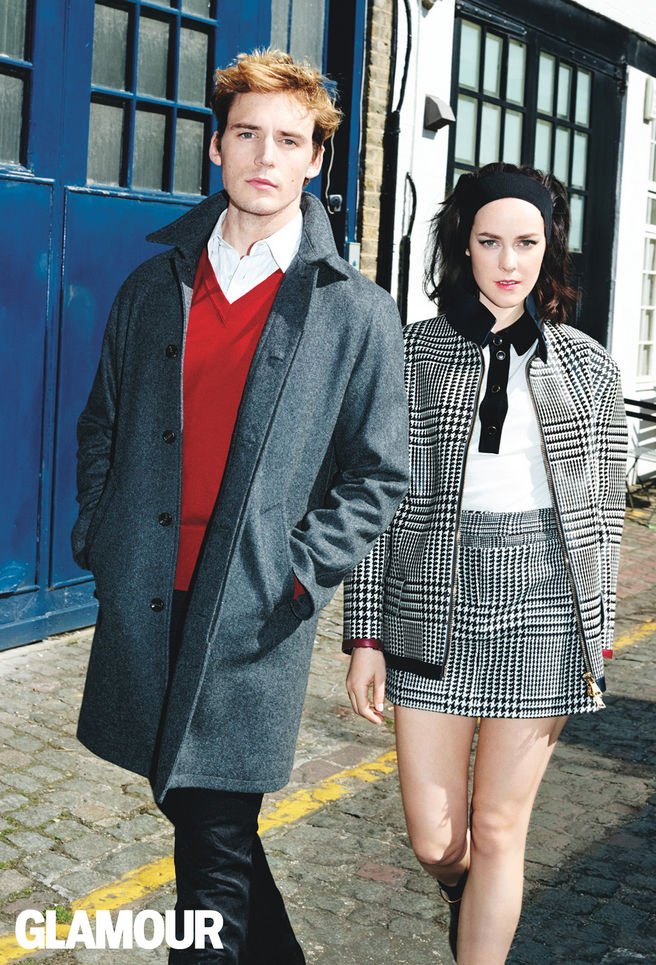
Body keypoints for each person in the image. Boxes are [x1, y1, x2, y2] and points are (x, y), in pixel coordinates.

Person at [71, 49, 409, 963]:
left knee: (213, 853)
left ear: (315, 161)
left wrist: (296, 575)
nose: (266, 156)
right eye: (248, 134)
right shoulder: (155, 286)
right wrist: (99, 534)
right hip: (149, 594)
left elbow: (379, 474)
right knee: (207, 824)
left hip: (253, 608)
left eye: (289, 141)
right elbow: (102, 422)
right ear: (217, 146)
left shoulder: (357, 313)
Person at [343, 162, 627, 964]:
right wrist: (365, 635)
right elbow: (376, 497)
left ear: (549, 249)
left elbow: (604, 517)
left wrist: (599, 633)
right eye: (491, 240)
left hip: (546, 603)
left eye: (527, 243)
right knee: (437, 839)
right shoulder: (412, 353)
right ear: (463, 245)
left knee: (501, 826)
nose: (509, 261)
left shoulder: (590, 368)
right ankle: (466, 893)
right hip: (432, 597)